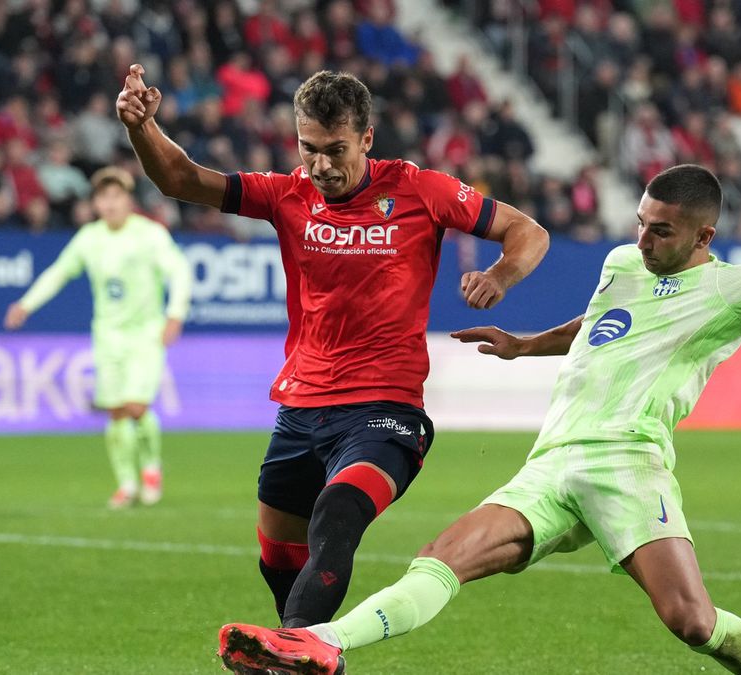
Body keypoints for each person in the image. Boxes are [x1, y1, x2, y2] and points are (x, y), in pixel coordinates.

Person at [216, 164, 741, 675]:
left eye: (660, 228)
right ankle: (319, 642)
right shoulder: (622, 264)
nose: (642, 236)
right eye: (640, 219)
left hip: (630, 464)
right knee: (442, 557)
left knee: (692, 622)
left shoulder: (738, 291)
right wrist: (528, 345)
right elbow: (599, 324)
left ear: (704, 234)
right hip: (554, 460)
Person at [115, 65, 549, 627]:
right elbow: (181, 179)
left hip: (384, 410)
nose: (320, 165)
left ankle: (295, 645)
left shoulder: (422, 189)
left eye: (335, 149)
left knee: (337, 513)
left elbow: (528, 231)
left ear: (367, 139)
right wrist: (143, 128)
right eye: (308, 148)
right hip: (300, 409)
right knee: (278, 557)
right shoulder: (286, 195)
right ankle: (310, 654)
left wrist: (500, 275)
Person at [4, 166, 192, 509]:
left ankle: (151, 467)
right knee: (117, 411)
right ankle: (127, 484)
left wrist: (175, 313)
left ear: (128, 200)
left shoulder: (149, 234)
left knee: (137, 406)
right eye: (103, 198)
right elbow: (58, 272)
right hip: (107, 336)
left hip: (145, 334)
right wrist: (26, 304)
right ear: (95, 203)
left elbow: (178, 271)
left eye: (116, 196)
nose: (109, 204)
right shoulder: (90, 238)